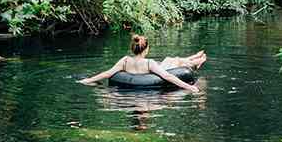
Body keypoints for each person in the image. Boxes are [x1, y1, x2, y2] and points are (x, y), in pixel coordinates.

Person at [78, 35, 206, 94]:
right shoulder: (149, 63)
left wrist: (88, 80)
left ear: (132, 48)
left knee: (171, 60)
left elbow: (108, 73)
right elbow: (168, 77)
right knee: (173, 60)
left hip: (136, 77)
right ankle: (196, 62)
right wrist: (190, 88)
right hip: (150, 75)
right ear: (146, 49)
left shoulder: (125, 60)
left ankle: (195, 59)